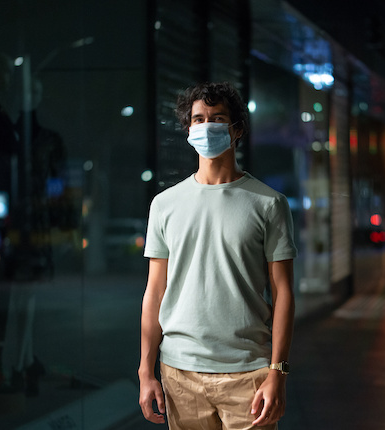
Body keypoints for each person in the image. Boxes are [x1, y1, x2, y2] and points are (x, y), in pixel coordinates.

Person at [139, 82, 297, 429]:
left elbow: (283, 292)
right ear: (188, 128)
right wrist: (145, 372)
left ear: (236, 128)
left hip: (248, 374)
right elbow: (155, 291)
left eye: (217, 118)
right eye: (198, 119)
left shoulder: (268, 203)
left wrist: (278, 372)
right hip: (179, 373)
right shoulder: (165, 205)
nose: (206, 126)